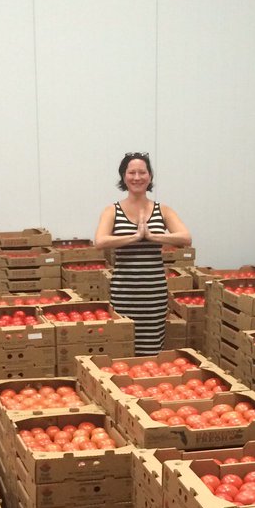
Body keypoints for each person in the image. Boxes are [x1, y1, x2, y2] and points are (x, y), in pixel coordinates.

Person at [94, 152, 191, 356]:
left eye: (142, 172)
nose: (137, 177)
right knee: (124, 349)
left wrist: (153, 236)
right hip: (124, 293)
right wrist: (135, 237)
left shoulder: (162, 210)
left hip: (153, 293)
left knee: (151, 350)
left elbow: (185, 238)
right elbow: (100, 241)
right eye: (131, 172)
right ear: (123, 176)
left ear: (150, 176)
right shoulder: (112, 210)